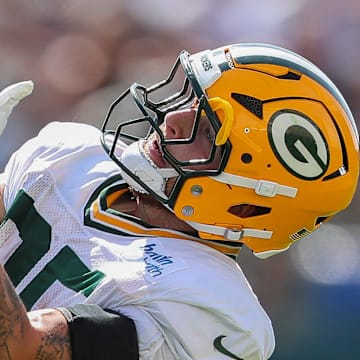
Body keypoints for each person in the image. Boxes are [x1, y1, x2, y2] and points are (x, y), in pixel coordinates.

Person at [0, 43, 358, 360]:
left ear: (248, 202)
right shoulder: (71, 152)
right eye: (191, 100)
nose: (172, 120)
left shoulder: (216, 312)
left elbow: (19, 349)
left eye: (206, 130)